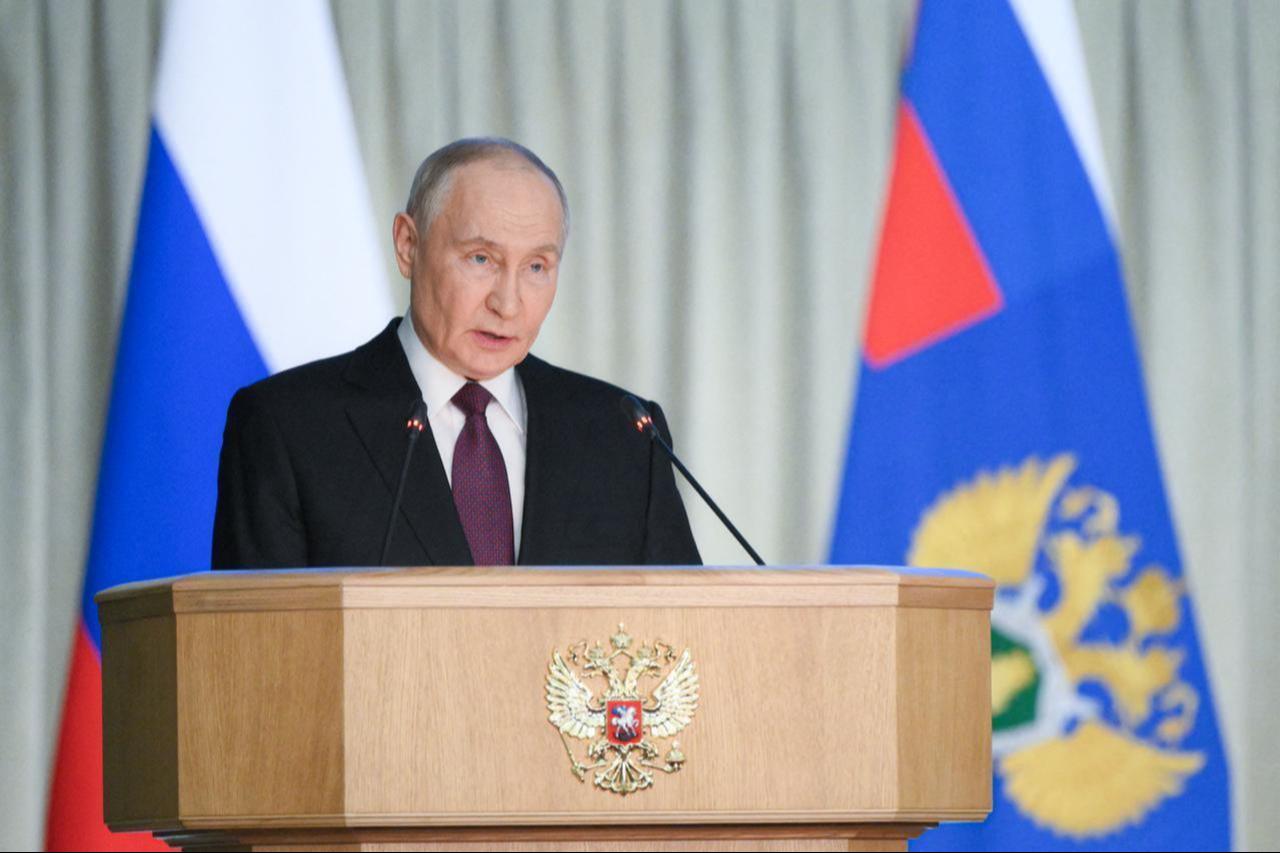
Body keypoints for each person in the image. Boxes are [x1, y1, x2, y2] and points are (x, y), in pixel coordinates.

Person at [212, 137, 701, 569]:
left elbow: (681, 644)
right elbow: (258, 655)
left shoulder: (625, 436)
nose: (507, 303)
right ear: (408, 245)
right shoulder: (289, 427)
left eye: (536, 266)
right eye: (481, 259)